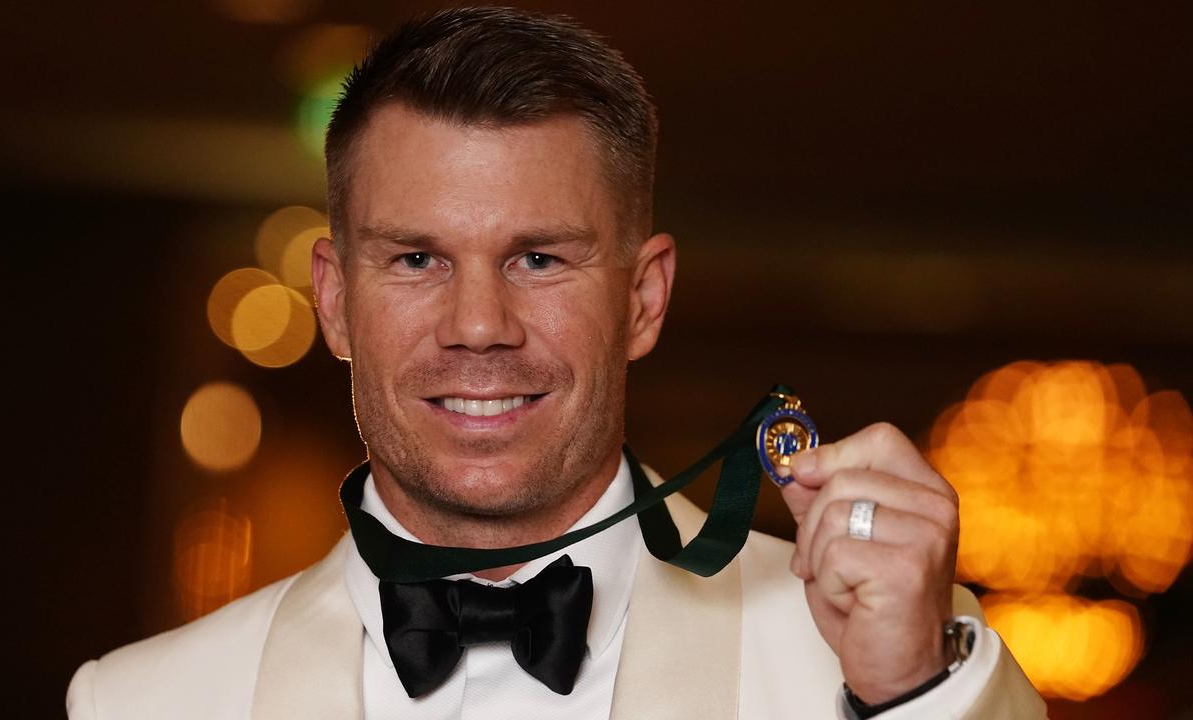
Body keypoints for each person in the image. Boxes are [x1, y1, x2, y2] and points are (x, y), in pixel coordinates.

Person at [67, 7, 1045, 718]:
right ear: (332, 300)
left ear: (642, 298)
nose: (479, 326)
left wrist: (909, 695)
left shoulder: (895, 667)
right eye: (416, 259)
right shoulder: (140, 702)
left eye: (537, 258)